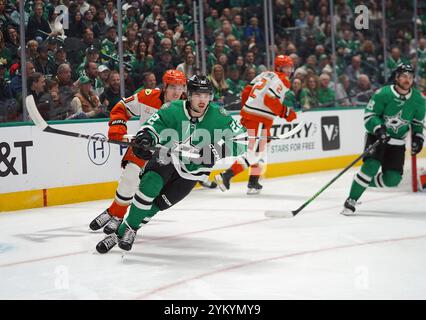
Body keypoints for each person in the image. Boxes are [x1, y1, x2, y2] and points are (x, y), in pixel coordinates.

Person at [95, 75, 247, 253]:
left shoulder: (219, 115)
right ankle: (122, 232)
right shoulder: (172, 109)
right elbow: (152, 127)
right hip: (168, 158)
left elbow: (242, 140)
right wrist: (146, 138)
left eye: (206, 95)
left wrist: (212, 152)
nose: (202, 100)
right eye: (198, 95)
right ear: (189, 95)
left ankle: (123, 231)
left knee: (156, 206)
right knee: (149, 185)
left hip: (193, 172)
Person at [89, 70, 187, 234]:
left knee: (148, 190)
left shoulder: (188, 107)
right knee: (130, 176)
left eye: (180, 87)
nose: (177, 92)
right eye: (172, 87)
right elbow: (121, 107)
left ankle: (116, 214)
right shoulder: (148, 96)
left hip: (168, 156)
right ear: (165, 87)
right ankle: (117, 215)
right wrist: (118, 126)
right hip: (144, 147)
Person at [341, 64, 425, 215]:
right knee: (371, 166)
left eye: (410, 77)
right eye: (404, 76)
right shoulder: (383, 94)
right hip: (378, 137)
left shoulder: (418, 100)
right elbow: (369, 116)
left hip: (397, 143)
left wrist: (418, 138)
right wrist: (379, 128)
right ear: (397, 77)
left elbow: (418, 124)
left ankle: (361, 181)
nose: (407, 80)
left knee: (392, 180)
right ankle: (351, 200)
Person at [214, 55, 297, 194]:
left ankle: (253, 181)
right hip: (260, 118)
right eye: (286, 67)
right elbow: (269, 99)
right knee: (255, 152)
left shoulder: (264, 74)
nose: (289, 70)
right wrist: (286, 112)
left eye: (290, 67)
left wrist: (246, 111)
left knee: (262, 148)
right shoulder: (283, 80)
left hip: (254, 116)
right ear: (279, 67)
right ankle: (226, 176)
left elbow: (246, 91)